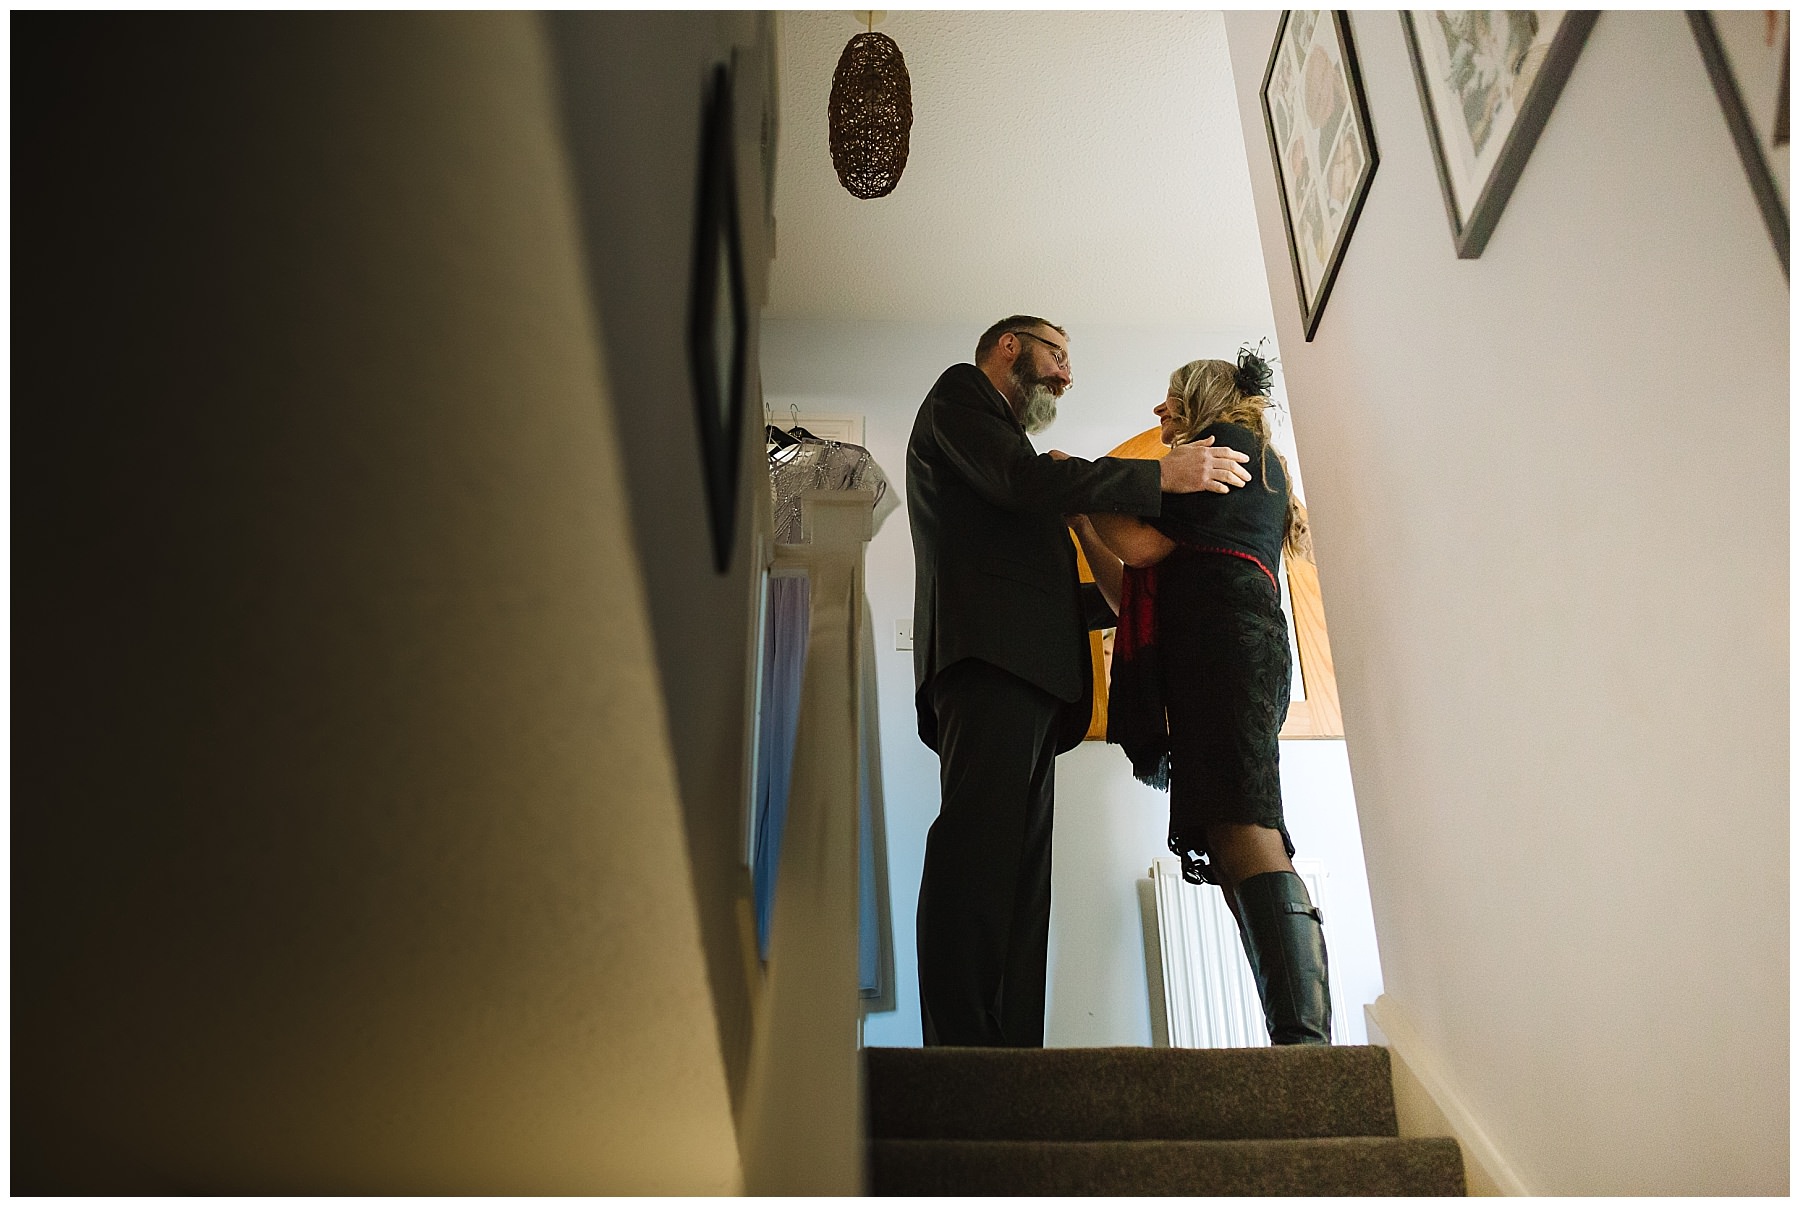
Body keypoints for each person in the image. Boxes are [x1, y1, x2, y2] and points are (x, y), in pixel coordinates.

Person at [905, 315, 1252, 1047]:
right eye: (1056, 354)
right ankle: (958, 1053)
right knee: (976, 852)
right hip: (987, 665)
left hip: (1032, 676)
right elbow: (1024, 479)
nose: (1066, 375)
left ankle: (1015, 1056)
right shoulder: (960, 395)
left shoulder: (1013, 460)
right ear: (1009, 347)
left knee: (1024, 881)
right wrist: (1161, 474)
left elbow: (1062, 589)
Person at [1068, 346, 1331, 1045]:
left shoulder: (1231, 451)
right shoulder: (1230, 465)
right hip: (1221, 656)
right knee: (1232, 828)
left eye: (1172, 400)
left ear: (1205, 405)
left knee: (1246, 827)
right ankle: (1296, 1035)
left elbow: (1142, 547)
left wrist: (1080, 481)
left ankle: (1305, 1043)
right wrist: (1086, 520)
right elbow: (1130, 586)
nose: (1159, 413)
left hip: (1226, 655)